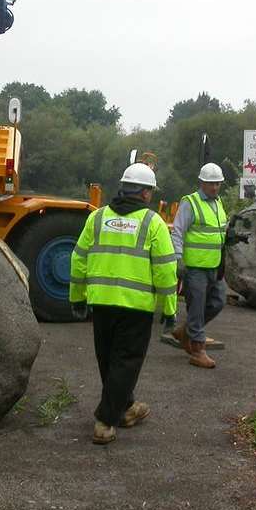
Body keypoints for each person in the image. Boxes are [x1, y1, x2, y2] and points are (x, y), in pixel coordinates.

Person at [69, 163, 178, 445]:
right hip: (135, 306)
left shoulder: (97, 218)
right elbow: (166, 270)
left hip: (102, 304)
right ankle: (105, 421)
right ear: (145, 193)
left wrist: (77, 297)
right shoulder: (152, 222)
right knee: (126, 362)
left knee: (108, 359)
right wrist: (169, 309)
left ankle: (127, 407)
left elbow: (78, 259)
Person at [166, 163, 229, 369]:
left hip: (214, 265)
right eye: (211, 183)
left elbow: (218, 231)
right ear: (201, 182)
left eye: (218, 183)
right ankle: (197, 349)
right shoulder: (190, 202)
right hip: (195, 267)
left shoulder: (217, 202)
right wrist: (178, 259)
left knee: (218, 301)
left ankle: (185, 331)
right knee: (197, 307)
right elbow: (178, 232)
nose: (215, 187)